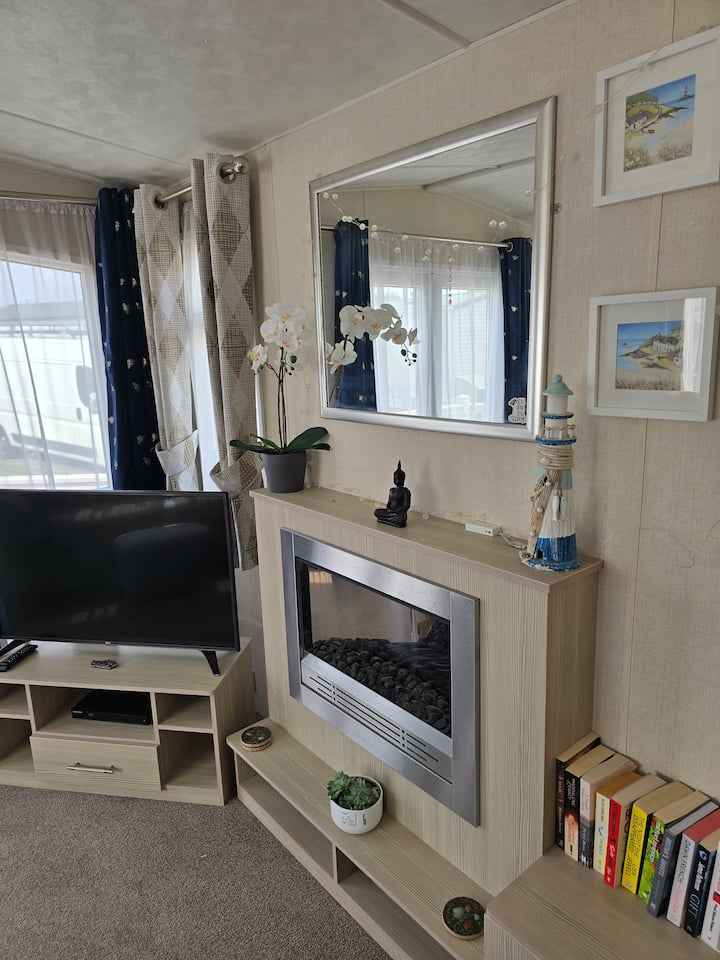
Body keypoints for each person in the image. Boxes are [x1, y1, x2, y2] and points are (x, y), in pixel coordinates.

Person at [374, 461, 411, 528]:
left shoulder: (405, 491)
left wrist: (396, 511)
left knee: (400, 519)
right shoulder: (392, 490)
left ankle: (389, 518)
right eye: (396, 479)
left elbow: (406, 506)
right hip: (390, 512)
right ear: (394, 480)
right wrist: (389, 510)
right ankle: (390, 518)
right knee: (376, 512)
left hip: (399, 514)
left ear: (403, 479)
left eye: (400, 479)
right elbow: (389, 503)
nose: (398, 480)